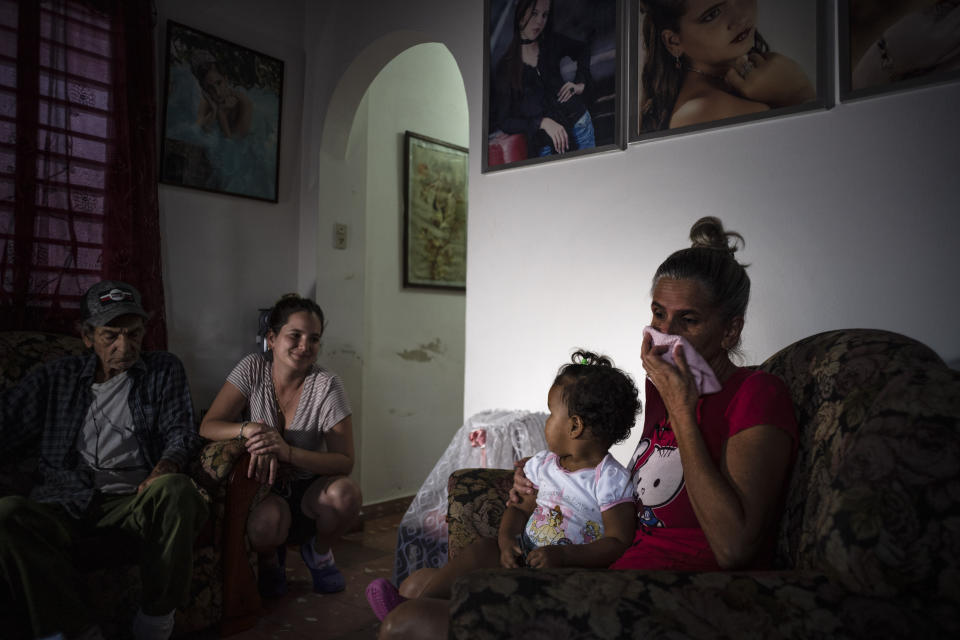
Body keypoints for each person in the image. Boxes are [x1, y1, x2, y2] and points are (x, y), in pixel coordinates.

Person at [378, 217, 799, 639]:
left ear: (730, 330)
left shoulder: (757, 393)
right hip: (610, 569)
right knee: (418, 587)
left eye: (688, 320)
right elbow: (627, 486)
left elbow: (733, 548)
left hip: (676, 593)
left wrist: (683, 412)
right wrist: (554, 471)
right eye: (658, 314)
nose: (666, 335)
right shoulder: (662, 393)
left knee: (408, 623)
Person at [369, 350, 640, 629]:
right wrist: (506, 540)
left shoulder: (609, 478)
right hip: (524, 559)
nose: (546, 422)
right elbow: (520, 508)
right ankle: (417, 608)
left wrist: (565, 556)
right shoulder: (542, 465)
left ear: (574, 426)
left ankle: (415, 611)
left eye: (550, 414)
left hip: (566, 575)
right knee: (484, 550)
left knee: (455, 578)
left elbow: (618, 541)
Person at [0, 280, 207, 640]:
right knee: (6, 514)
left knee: (177, 490)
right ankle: (73, 629)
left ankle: (156, 623)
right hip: (61, 503)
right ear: (86, 336)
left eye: (134, 334)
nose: (125, 347)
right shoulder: (55, 378)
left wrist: (165, 465)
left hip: (131, 502)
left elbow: (182, 431)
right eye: (111, 335)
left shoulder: (162, 369)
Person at [199, 293, 361, 597]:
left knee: (346, 495)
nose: (304, 346)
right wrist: (249, 429)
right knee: (265, 526)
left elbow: (344, 461)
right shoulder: (251, 369)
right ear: (272, 338)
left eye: (314, 339)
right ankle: (272, 560)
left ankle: (320, 552)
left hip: (309, 491)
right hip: (264, 488)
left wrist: (289, 453)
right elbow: (209, 426)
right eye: (295, 336)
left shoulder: (327, 385)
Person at [638, 0, 816, 132]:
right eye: (713, 14)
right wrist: (799, 92)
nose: (740, 18)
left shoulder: (735, 86)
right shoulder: (708, 110)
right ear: (673, 41)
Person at [490, 0, 597, 156]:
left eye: (544, 15)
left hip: (580, 127)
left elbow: (583, 50)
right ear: (520, 16)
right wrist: (542, 122)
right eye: (534, 13)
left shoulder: (551, 43)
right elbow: (505, 121)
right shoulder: (505, 68)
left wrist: (580, 82)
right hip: (546, 144)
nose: (540, 21)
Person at [191, 51, 253, 139]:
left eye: (219, 83)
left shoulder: (243, 101)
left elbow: (236, 143)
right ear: (204, 90)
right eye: (210, 88)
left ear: (226, 79)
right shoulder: (206, 103)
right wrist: (214, 111)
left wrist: (221, 114)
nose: (217, 92)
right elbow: (196, 133)